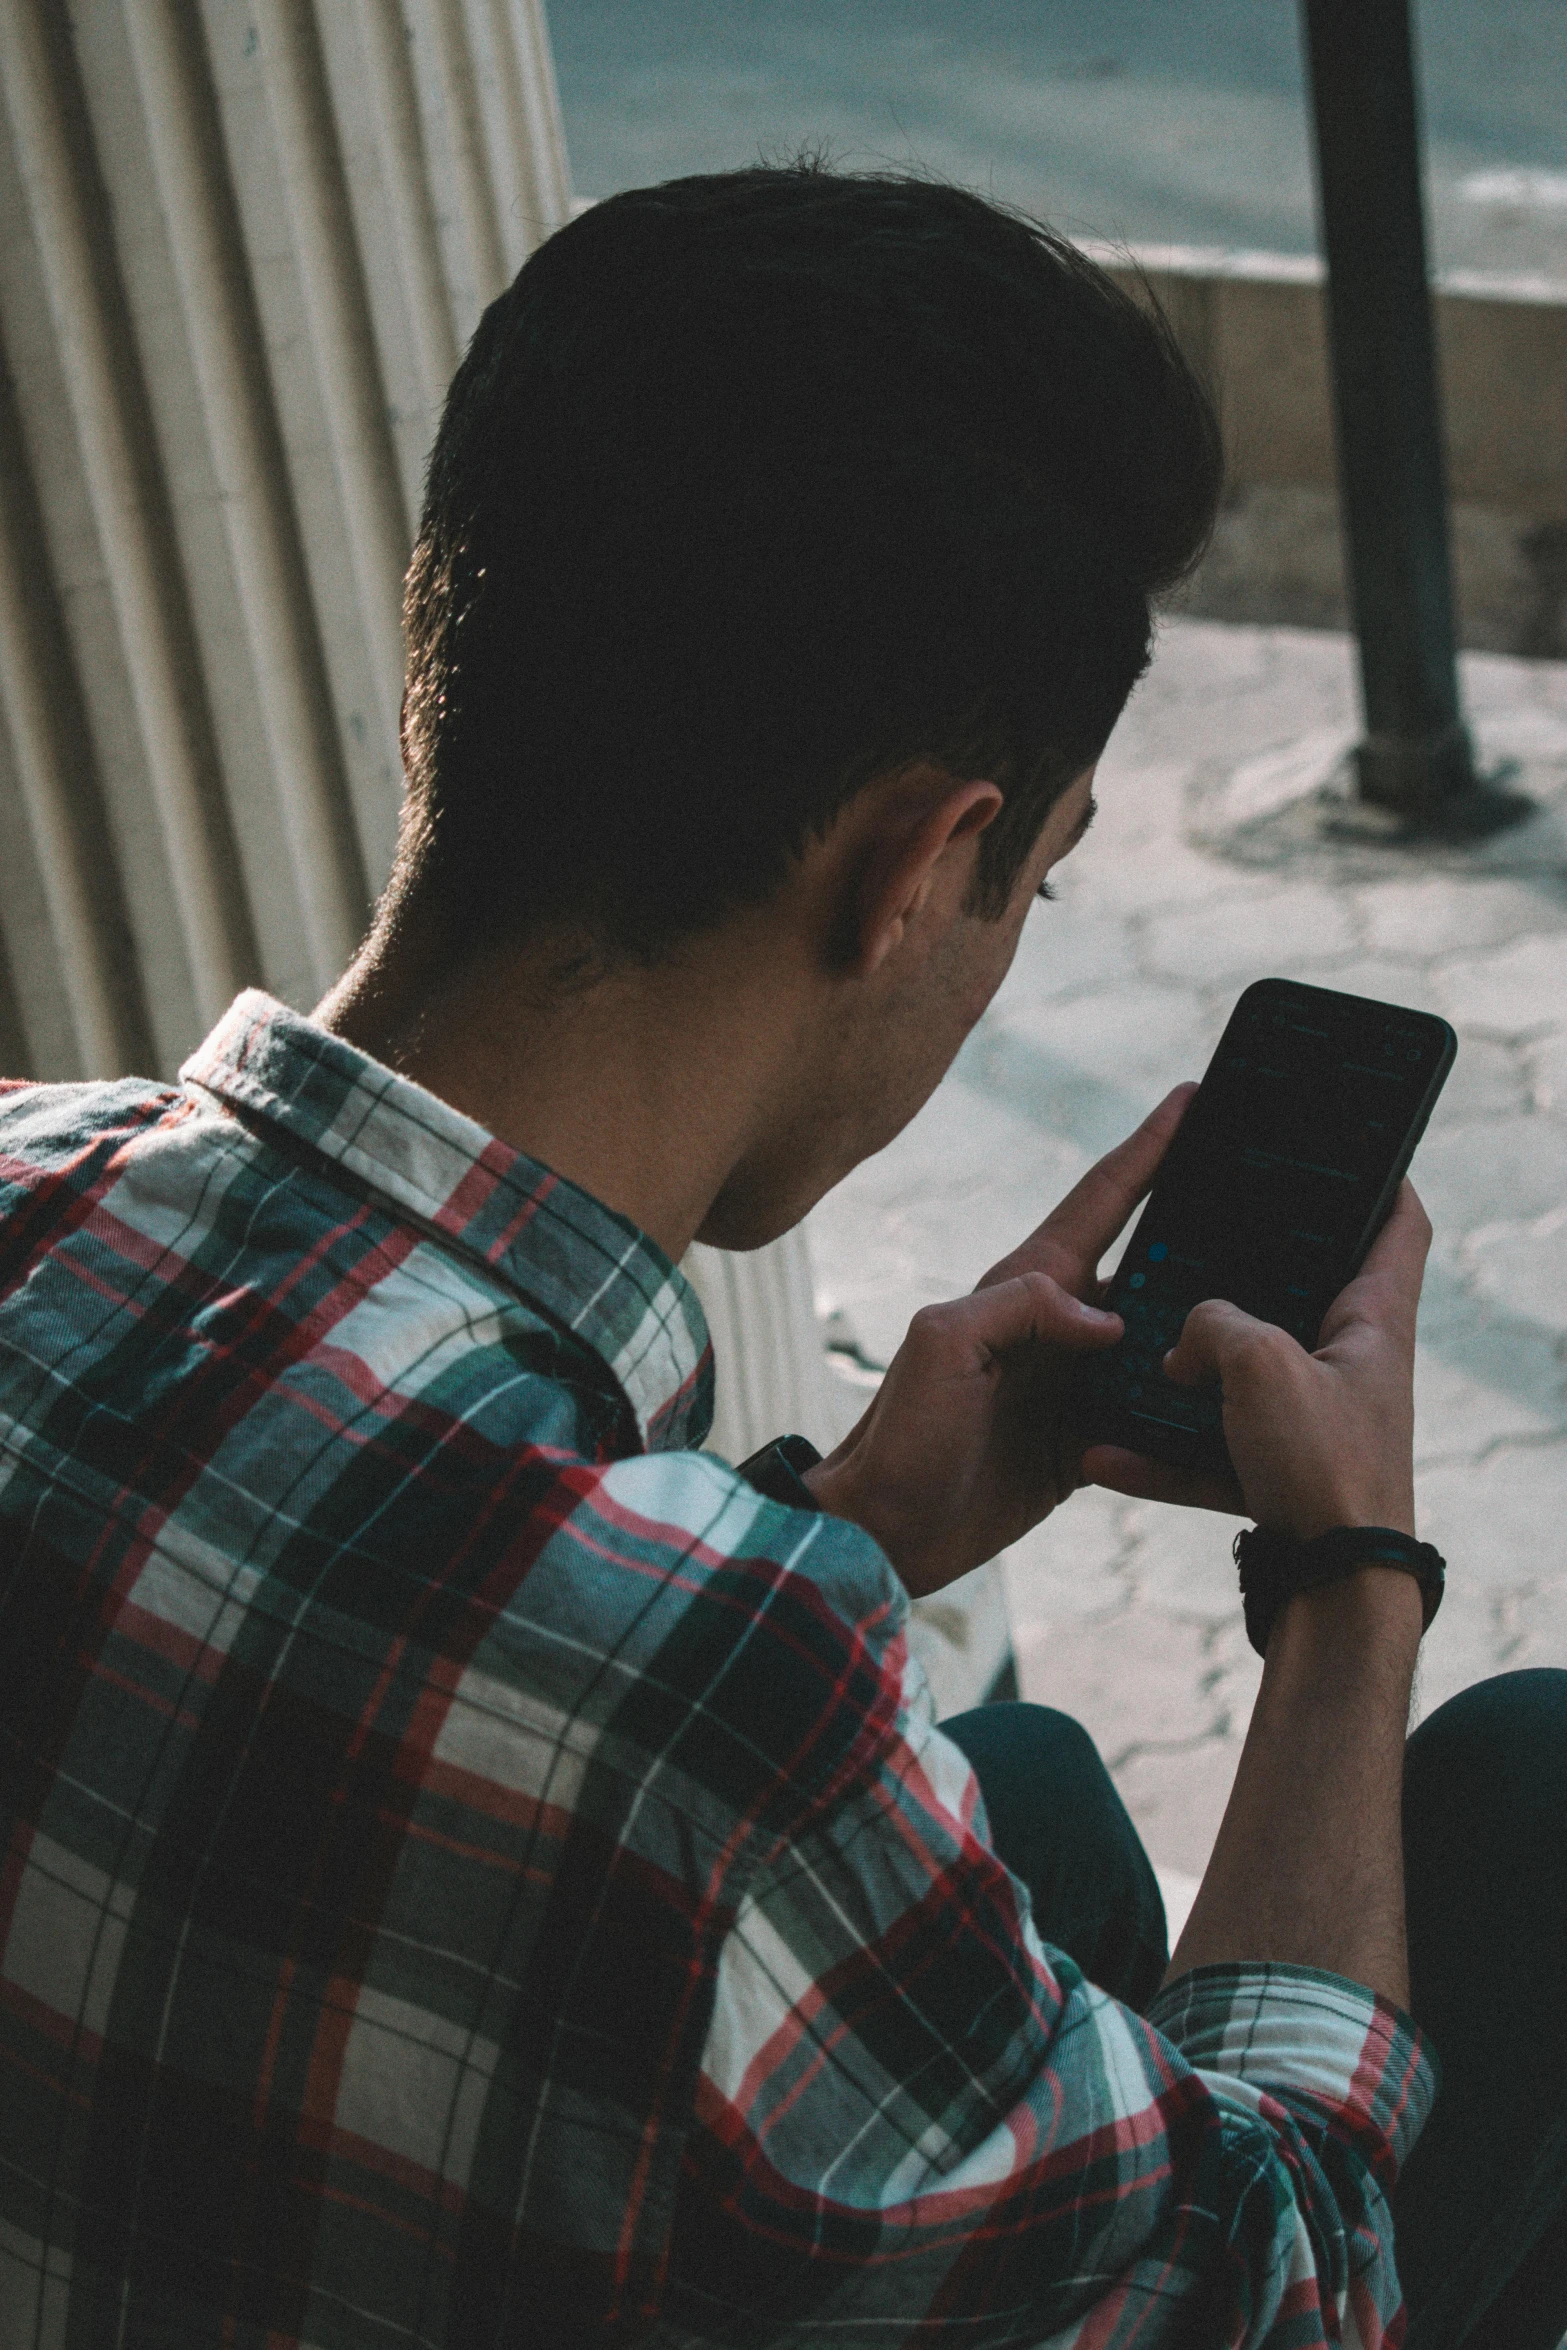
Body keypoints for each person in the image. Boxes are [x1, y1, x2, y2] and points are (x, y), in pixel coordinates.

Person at [0, 162, 1562, 2350]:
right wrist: (1342, 1592)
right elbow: (1300, 2282)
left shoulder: (29, 1168)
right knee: (1534, 1794)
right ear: (923, 862)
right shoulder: (721, 1707)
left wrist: (852, 1523)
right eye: (1043, 880)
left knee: (1028, 1804)